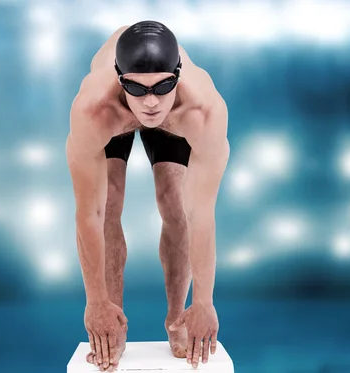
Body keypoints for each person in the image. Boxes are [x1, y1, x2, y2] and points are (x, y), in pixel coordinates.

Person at [66, 20, 230, 372]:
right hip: (114, 116)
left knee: (175, 203)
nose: (152, 102)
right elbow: (88, 214)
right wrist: (95, 302)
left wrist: (204, 302)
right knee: (109, 202)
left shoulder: (203, 111)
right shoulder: (93, 110)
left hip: (178, 119)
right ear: (120, 79)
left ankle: (176, 320)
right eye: (138, 90)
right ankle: (113, 326)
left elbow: (202, 215)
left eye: (163, 87)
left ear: (178, 75)